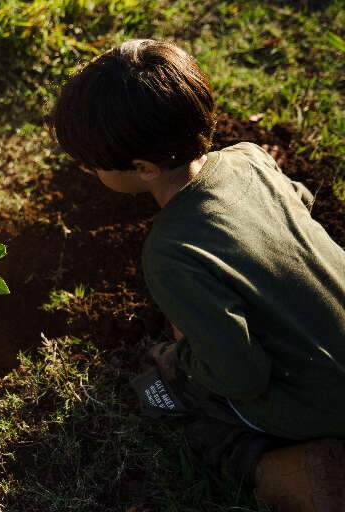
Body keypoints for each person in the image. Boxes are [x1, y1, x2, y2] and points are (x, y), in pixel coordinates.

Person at [53, 39, 345, 511]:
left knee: (162, 387)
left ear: (143, 169)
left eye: (93, 166)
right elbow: (302, 201)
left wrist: (186, 353)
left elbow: (241, 375)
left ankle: (270, 466)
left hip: (320, 405)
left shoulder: (171, 254)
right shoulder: (249, 157)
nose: (89, 172)